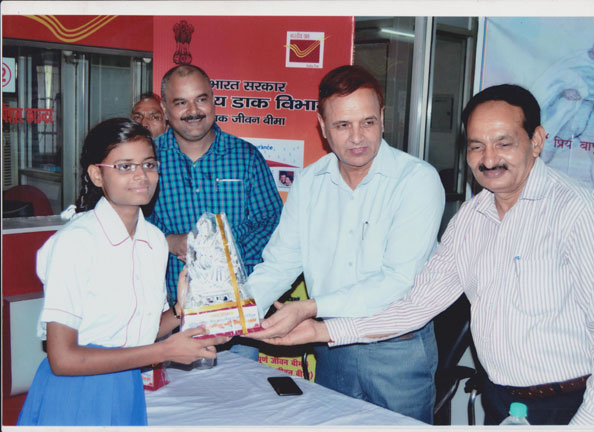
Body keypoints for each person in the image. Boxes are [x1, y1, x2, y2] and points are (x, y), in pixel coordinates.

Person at [259, 84, 594, 426]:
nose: (489, 159)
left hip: (571, 404)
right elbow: (415, 306)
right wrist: (320, 332)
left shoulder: (577, 210)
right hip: (501, 404)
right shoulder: (470, 219)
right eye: (476, 146)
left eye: (503, 143)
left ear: (537, 140)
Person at [245, 65, 445, 423]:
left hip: (395, 349)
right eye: (342, 125)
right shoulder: (309, 182)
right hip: (331, 347)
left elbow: (398, 280)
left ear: (382, 117)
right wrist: (237, 311)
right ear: (322, 126)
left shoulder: (416, 180)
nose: (357, 137)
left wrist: (310, 307)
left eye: (367, 122)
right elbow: (279, 263)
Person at [17, 118, 229, 426]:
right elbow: (62, 358)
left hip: (126, 386)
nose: (141, 175)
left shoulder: (154, 241)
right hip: (75, 392)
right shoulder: (76, 242)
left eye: (149, 164)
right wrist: (163, 351)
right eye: (125, 166)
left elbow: (139, 333)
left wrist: (181, 312)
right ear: (97, 174)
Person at [148, 64, 283, 360]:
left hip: (235, 320)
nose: (193, 111)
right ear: (165, 110)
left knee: (238, 389)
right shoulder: (148, 160)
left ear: (213, 101)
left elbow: (271, 222)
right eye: (181, 103)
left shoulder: (246, 157)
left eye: (201, 99)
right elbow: (132, 226)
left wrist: (221, 252)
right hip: (169, 319)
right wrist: (168, 242)